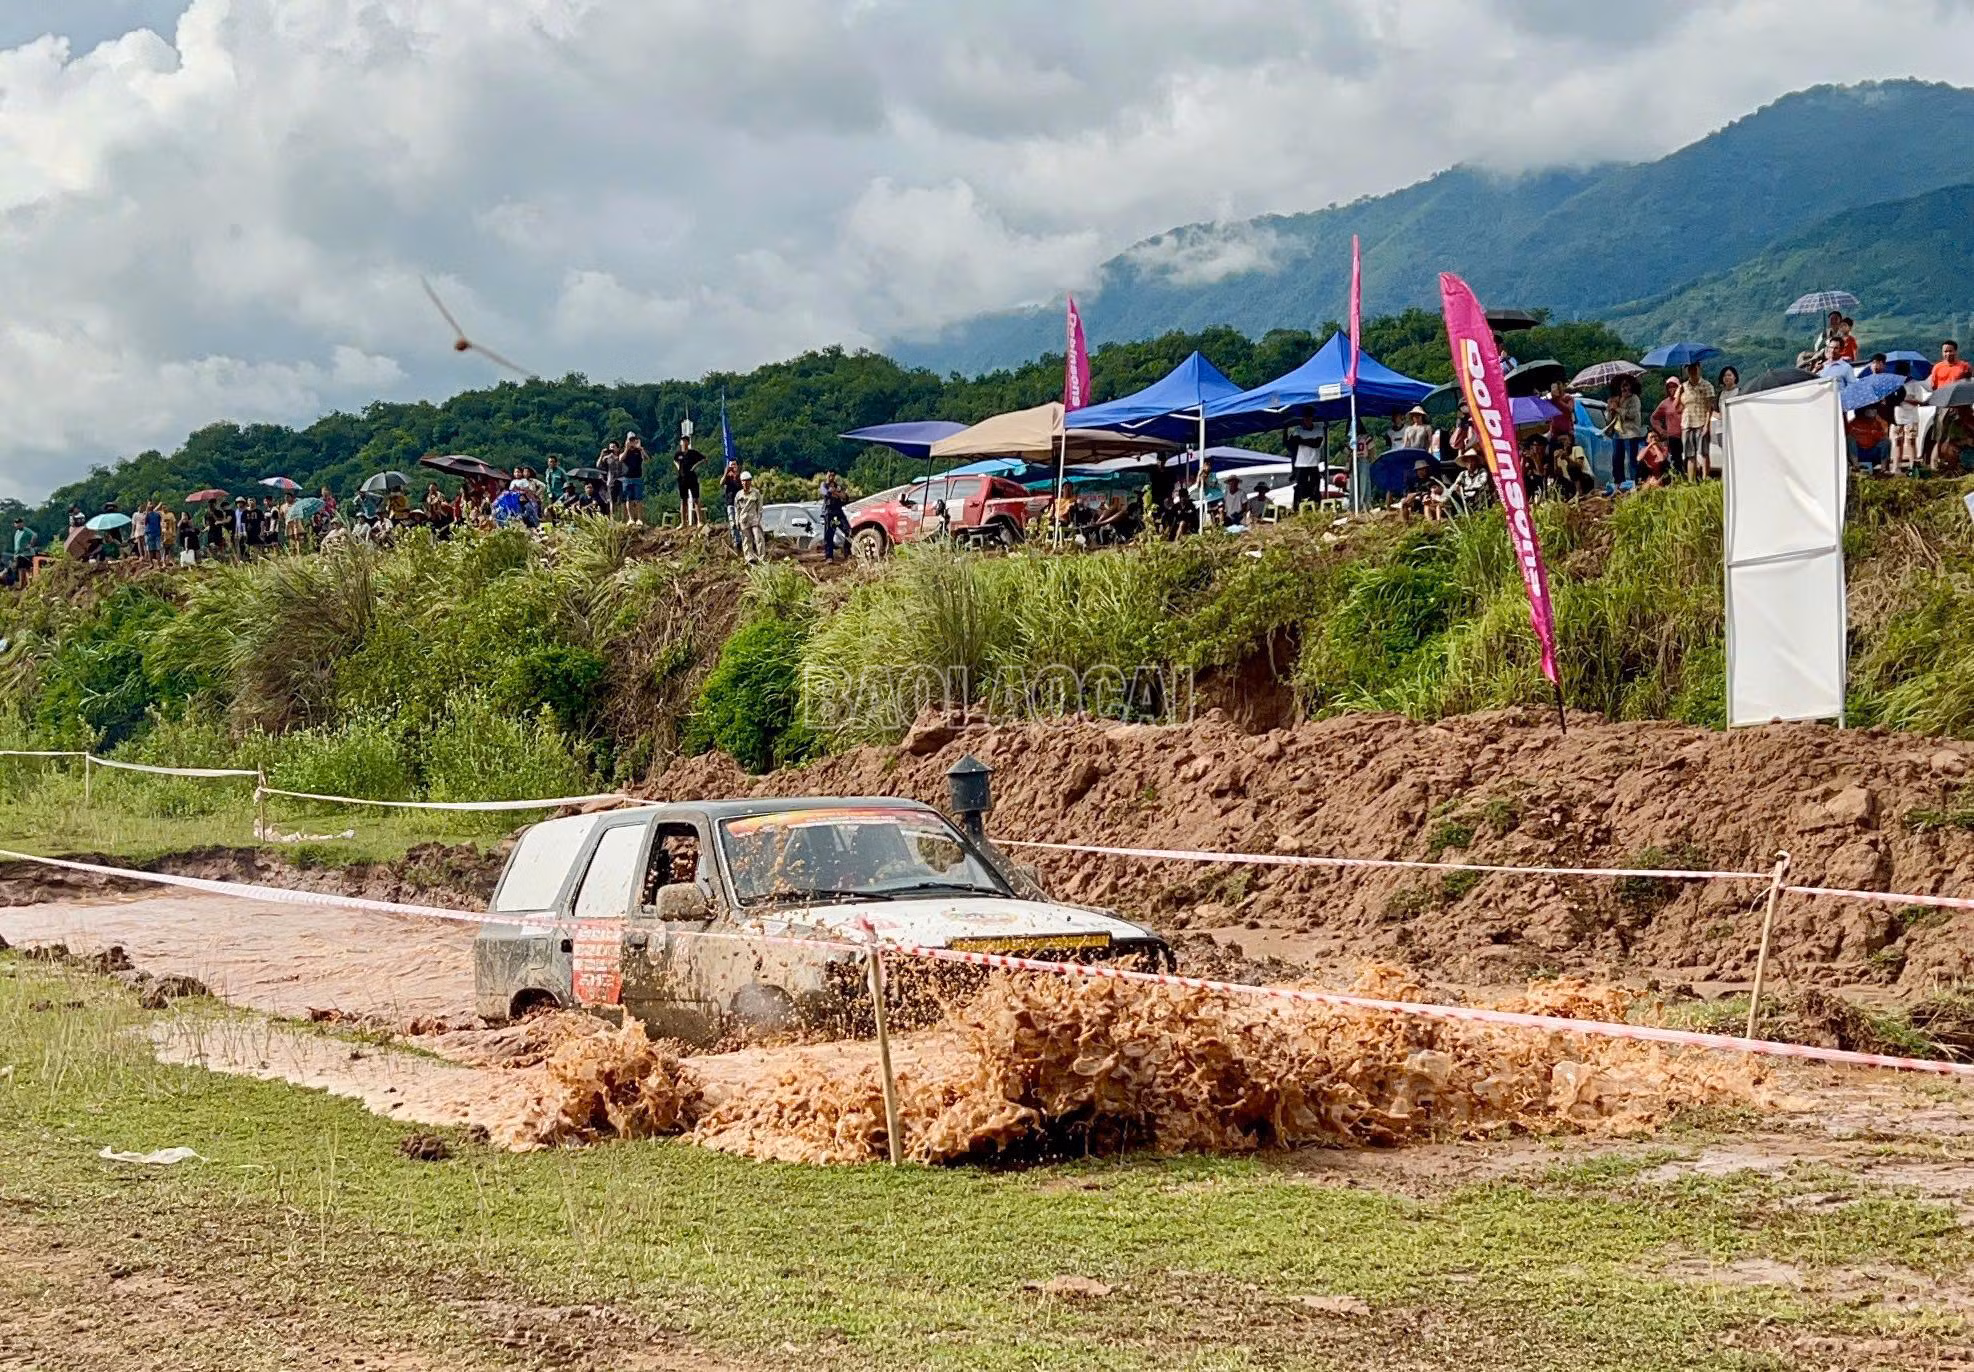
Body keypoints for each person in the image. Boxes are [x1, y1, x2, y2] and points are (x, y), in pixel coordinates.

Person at [1604, 376, 1645, 485]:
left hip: (1631, 434)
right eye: (1622, 386)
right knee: (1616, 461)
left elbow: (1632, 414)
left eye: (1626, 385)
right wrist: (1611, 409)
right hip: (1617, 434)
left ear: (1631, 386)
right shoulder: (1615, 400)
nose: (1624, 388)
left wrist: (1618, 409)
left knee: (1631, 462)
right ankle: (1619, 483)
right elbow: (1608, 419)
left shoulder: (1634, 399)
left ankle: (1634, 483)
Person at [1283, 407, 1325, 510]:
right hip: (1301, 464)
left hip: (1313, 463)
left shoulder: (1318, 429)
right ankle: (1299, 508)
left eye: (1309, 418)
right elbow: (1292, 444)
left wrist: (1302, 441)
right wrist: (1309, 441)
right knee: (1301, 487)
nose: (1307, 420)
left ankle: (1316, 506)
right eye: (1305, 418)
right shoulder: (1298, 430)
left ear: (1312, 418)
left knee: (1315, 486)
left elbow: (1317, 443)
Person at [1679, 363, 1716, 480]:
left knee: (1704, 452)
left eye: (1694, 369)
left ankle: (1705, 478)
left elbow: (1710, 408)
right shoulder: (1683, 387)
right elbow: (1678, 407)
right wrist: (1678, 394)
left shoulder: (1707, 385)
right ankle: (1691, 480)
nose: (1692, 371)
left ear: (1699, 369)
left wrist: (1707, 425)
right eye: (1690, 369)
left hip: (1701, 421)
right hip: (1687, 422)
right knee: (1690, 454)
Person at [1650, 377, 1683, 476]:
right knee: (1676, 460)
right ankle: (1678, 480)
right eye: (1669, 387)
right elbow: (1654, 417)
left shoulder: (1685, 400)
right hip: (1673, 436)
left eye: (1674, 387)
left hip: (1686, 433)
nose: (1672, 389)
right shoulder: (1665, 403)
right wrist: (1661, 430)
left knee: (1689, 458)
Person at [1847, 402, 1892, 472]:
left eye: (1875, 408)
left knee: (1886, 441)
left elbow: (1882, 436)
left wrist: (1875, 433)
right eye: (1871, 408)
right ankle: (1856, 466)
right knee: (1850, 439)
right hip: (1859, 453)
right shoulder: (1853, 423)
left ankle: (1884, 468)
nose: (1874, 410)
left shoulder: (1877, 423)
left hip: (1872, 452)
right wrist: (1869, 432)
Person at [818, 471, 852, 561]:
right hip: (830, 514)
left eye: (833, 475)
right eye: (829, 475)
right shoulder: (824, 485)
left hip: (838, 513)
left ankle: (847, 553)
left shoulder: (838, 486)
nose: (831, 477)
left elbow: (845, 498)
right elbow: (826, 493)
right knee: (829, 535)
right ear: (826, 475)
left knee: (848, 531)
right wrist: (835, 493)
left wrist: (836, 493)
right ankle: (829, 557)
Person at [673, 438, 705, 528]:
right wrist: (678, 467)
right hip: (682, 479)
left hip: (692, 478)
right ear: (680, 443)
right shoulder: (678, 454)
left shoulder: (693, 453)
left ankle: (699, 521)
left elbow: (703, 459)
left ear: (688, 442)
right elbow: (674, 460)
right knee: (683, 500)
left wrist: (695, 466)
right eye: (683, 441)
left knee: (696, 499)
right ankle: (683, 523)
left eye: (686, 441)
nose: (684, 443)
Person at [734, 471, 765, 562]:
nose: (745, 483)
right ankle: (749, 558)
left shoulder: (756, 493)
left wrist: (759, 519)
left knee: (758, 537)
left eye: (747, 481)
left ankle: (761, 558)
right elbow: (737, 509)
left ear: (750, 481)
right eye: (743, 481)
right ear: (741, 482)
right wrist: (737, 521)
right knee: (746, 539)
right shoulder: (739, 495)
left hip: (754, 519)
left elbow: (760, 508)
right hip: (743, 519)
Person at [620, 432, 648, 524]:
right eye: (630, 440)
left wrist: (641, 449)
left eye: (633, 440)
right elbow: (621, 459)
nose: (632, 442)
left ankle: (639, 518)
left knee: (638, 498)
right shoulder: (625, 451)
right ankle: (631, 518)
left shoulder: (638, 451)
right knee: (629, 499)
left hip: (637, 477)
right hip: (627, 478)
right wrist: (627, 449)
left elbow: (646, 459)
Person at [720, 460, 744, 551]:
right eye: (731, 465)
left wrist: (737, 475)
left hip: (740, 503)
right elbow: (721, 483)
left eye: (734, 465)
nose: (733, 467)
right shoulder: (728, 477)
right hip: (730, 502)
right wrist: (726, 472)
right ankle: (736, 541)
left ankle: (743, 539)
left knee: (741, 522)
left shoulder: (740, 477)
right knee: (733, 523)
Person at [11, 518, 37, 584]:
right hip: (18, 554)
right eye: (16, 523)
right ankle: (24, 584)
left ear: (22, 523)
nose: (18, 524)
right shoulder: (17, 532)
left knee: (25, 568)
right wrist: (15, 554)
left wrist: (30, 545)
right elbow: (17, 543)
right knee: (21, 569)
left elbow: (34, 535)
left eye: (20, 522)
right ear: (14, 524)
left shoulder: (26, 530)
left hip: (26, 554)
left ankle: (27, 584)